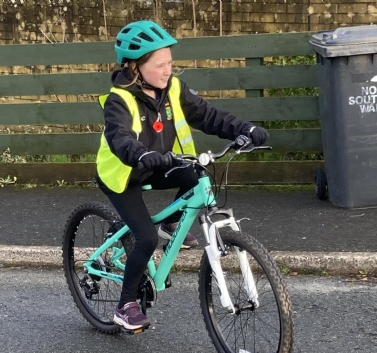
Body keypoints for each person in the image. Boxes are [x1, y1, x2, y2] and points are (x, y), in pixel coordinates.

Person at [96, 20, 269, 331]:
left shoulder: (173, 89)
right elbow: (120, 138)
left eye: (170, 63)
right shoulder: (118, 100)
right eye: (160, 65)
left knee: (194, 176)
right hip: (124, 175)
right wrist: (141, 154)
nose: (168, 71)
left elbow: (208, 115)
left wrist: (245, 128)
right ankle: (125, 305)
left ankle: (171, 224)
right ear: (135, 68)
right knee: (145, 238)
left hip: (159, 164)